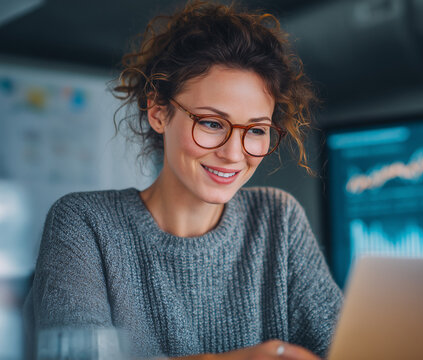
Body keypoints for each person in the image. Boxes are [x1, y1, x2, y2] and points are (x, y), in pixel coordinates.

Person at [24, 1, 343, 359]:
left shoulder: (279, 219)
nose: (234, 153)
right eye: (211, 123)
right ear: (159, 113)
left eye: (256, 130)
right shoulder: (84, 223)